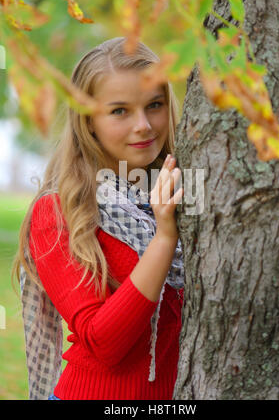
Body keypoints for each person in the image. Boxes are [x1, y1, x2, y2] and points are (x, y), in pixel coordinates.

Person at [12, 36, 185, 400]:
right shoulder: (59, 211)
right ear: (89, 121)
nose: (144, 125)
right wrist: (164, 239)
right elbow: (103, 342)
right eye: (119, 111)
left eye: (154, 105)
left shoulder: (183, 188)